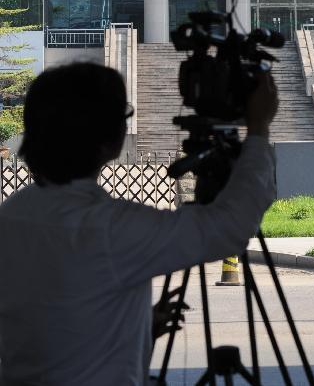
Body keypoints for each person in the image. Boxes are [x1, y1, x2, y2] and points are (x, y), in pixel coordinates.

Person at [0, 62, 278, 385]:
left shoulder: (11, 215)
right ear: (112, 139)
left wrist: (131, 326)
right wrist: (259, 129)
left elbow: (50, 321)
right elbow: (230, 227)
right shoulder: (111, 228)